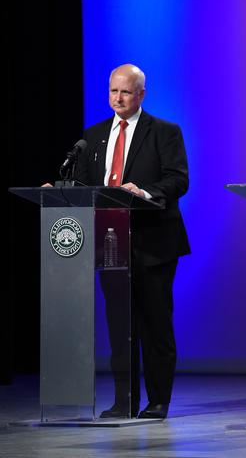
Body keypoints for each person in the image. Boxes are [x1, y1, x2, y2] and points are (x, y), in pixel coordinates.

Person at [74, 64, 190, 419]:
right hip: (111, 244)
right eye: (113, 91)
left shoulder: (164, 132)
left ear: (141, 94)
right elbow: (82, 183)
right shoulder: (91, 137)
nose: (118, 98)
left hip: (153, 241)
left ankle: (158, 401)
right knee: (120, 326)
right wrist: (61, 190)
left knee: (155, 324)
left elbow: (178, 179)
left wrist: (145, 192)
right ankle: (124, 400)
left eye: (125, 92)